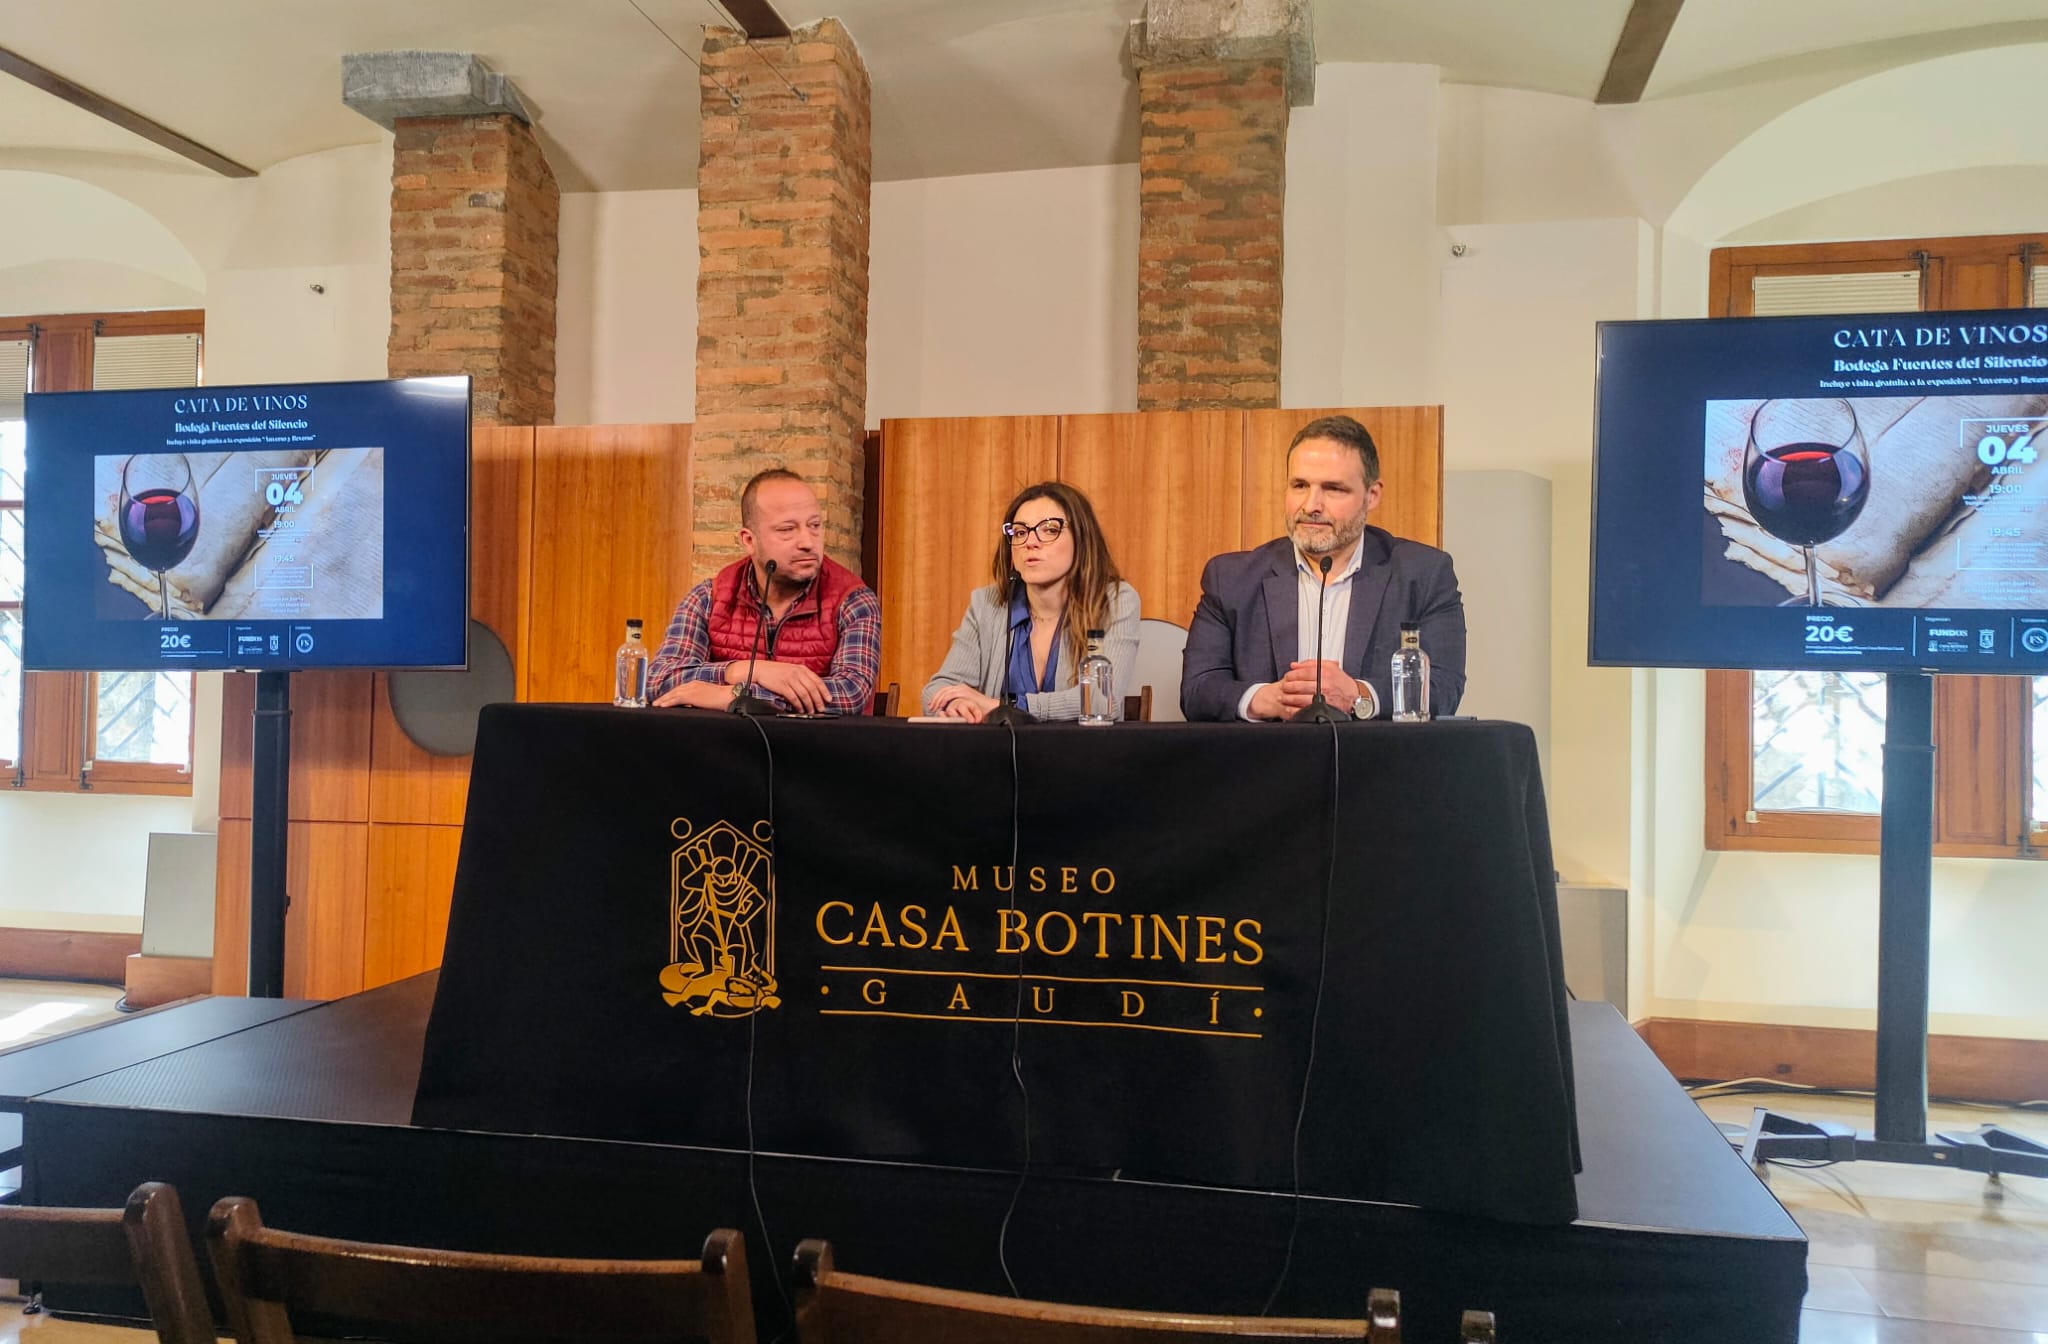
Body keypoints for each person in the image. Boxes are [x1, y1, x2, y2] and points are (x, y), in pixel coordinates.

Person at [1180, 414, 1465, 722]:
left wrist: (1357, 695)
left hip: (1376, 764)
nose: (1311, 505)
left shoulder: (1423, 574)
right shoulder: (1231, 579)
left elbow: (1443, 688)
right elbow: (1197, 689)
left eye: (1333, 489)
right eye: (1300, 485)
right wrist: (1268, 699)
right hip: (1266, 764)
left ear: (1372, 496)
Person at [649, 467, 880, 714]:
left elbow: (849, 693)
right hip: (725, 748)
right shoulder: (709, 597)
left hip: (817, 749)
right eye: (787, 530)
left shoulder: (853, 599)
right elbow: (658, 680)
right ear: (749, 540)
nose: (808, 542)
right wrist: (747, 670)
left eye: (814, 525)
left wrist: (735, 695)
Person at [922, 481, 1141, 722]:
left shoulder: (1115, 601)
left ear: (1082, 539)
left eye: (1049, 529)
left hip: (1080, 756)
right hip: (995, 757)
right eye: (1020, 532)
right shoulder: (987, 604)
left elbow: (1102, 701)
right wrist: (958, 703)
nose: (1030, 542)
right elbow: (937, 690)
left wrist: (1001, 707)